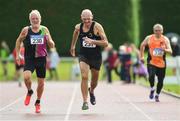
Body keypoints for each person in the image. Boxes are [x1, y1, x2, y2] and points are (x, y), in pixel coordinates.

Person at [15, 10, 55, 113]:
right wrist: (18, 55)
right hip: (30, 59)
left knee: (41, 84)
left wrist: (49, 40)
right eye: (33, 19)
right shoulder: (26, 30)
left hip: (41, 59)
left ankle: (38, 102)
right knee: (26, 77)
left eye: (37, 18)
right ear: (30, 20)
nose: (35, 20)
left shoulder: (44, 29)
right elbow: (18, 40)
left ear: (40, 19)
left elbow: (52, 45)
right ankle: (29, 91)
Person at [70, 9, 108, 110]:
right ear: (81, 18)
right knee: (84, 76)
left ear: (92, 17)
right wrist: (73, 46)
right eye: (84, 19)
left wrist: (92, 41)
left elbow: (105, 43)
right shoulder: (78, 27)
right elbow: (75, 33)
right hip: (84, 56)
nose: (86, 21)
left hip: (96, 57)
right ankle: (85, 101)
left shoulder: (97, 26)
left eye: (88, 19)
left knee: (94, 81)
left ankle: (91, 91)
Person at [140, 23, 172, 102]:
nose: (157, 32)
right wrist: (142, 56)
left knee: (160, 81)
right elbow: (142, 45)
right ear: (153, 31)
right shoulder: (149, 38)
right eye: (156, 30)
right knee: (151, 76)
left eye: (159, 30)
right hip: (151, 61)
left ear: (162, 31)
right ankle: (152, 88)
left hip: (161, 63)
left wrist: (164, 50)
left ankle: (157, 95)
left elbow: (170, 51)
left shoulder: (165, 39)